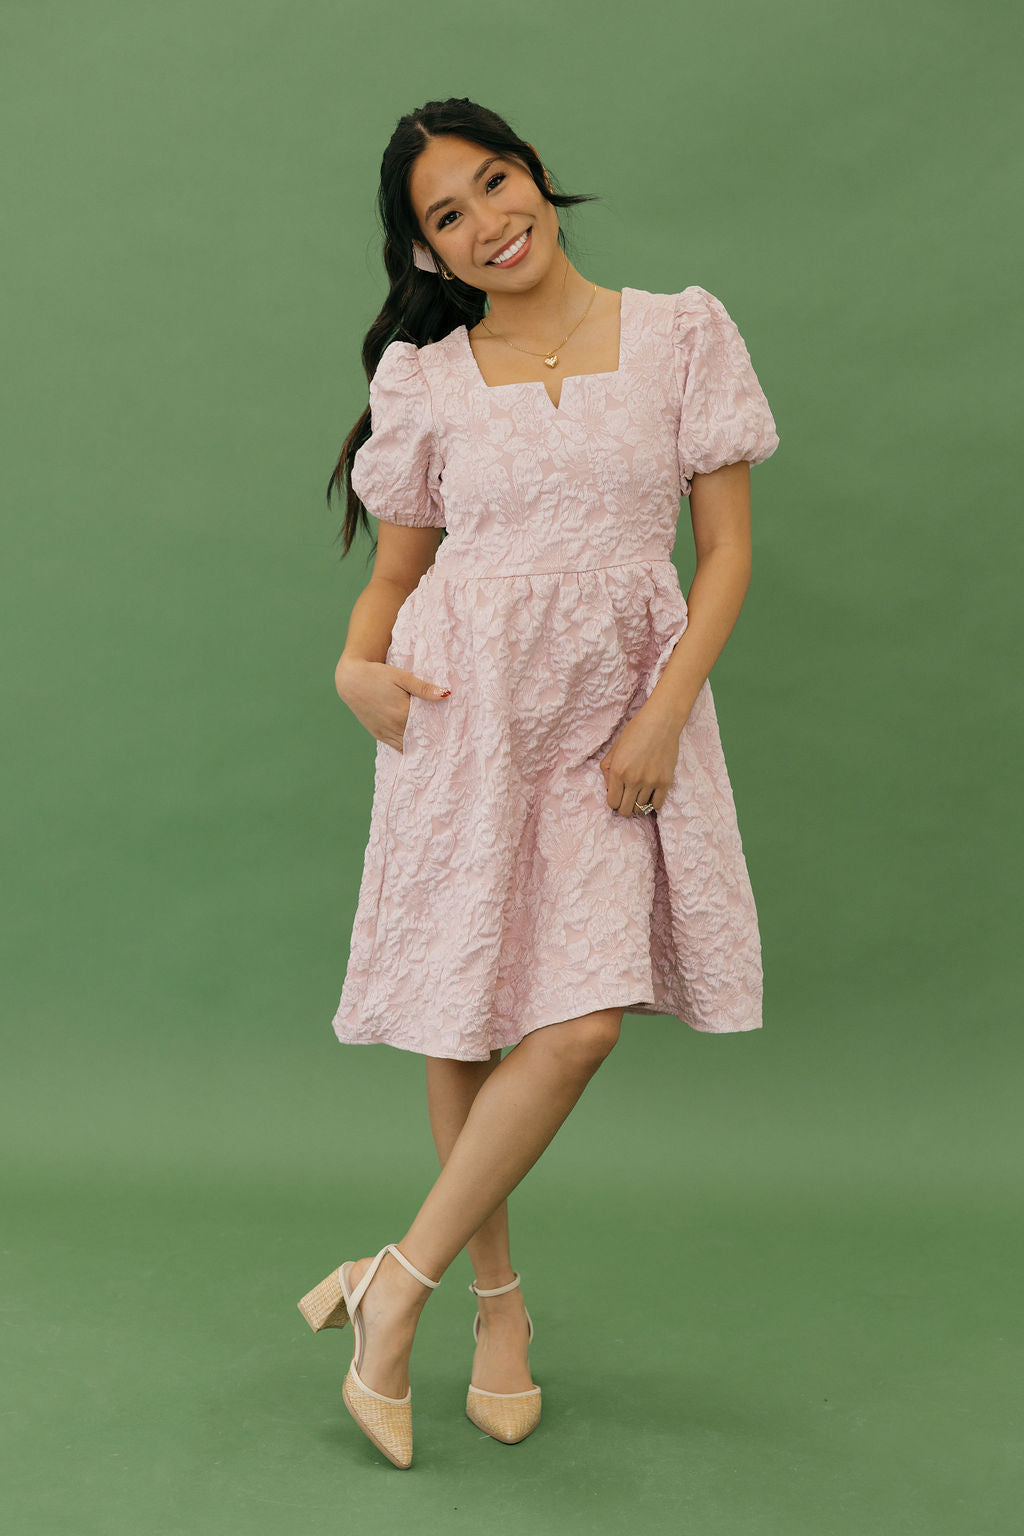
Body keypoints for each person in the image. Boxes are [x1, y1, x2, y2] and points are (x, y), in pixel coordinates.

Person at [298, 97, 780, 1469]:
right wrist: (355, 666)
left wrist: (664, 713)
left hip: (622, 713)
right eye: (446, 216)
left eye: (495, 182)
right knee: (470, 1008)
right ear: (429, 254)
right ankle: (493, 1307)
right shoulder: (430, 382)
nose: (487, 222)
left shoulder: (682, 333)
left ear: (538, 177)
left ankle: (391, 1286)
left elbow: (726, 554)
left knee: (578, 1025)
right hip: (466, 714)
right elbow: (396, 576)